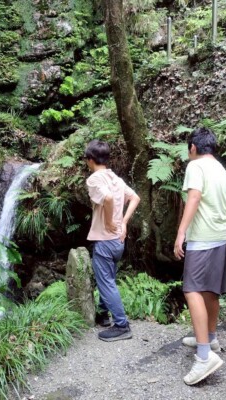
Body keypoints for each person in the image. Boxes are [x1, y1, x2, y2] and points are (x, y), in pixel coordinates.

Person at [173, 127, 226, 385]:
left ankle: (204, 356)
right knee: (210, 290)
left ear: (193, 148)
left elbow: (194, 197)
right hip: (224, 235)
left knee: (192, 290)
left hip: (204, 237)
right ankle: (210, 337)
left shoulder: (195, 166)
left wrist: (181, 233)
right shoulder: (220, 168)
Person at [85, 139, 141, 342]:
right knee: (108, 278)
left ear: (90, 160)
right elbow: (135, 198)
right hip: (118, 240)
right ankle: (103, 314)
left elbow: (107, 198)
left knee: (106, 282)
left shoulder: (94, 180)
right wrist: (123, 222)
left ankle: (121, 325)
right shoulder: (115, 178)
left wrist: (109, 221)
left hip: (105, 240)